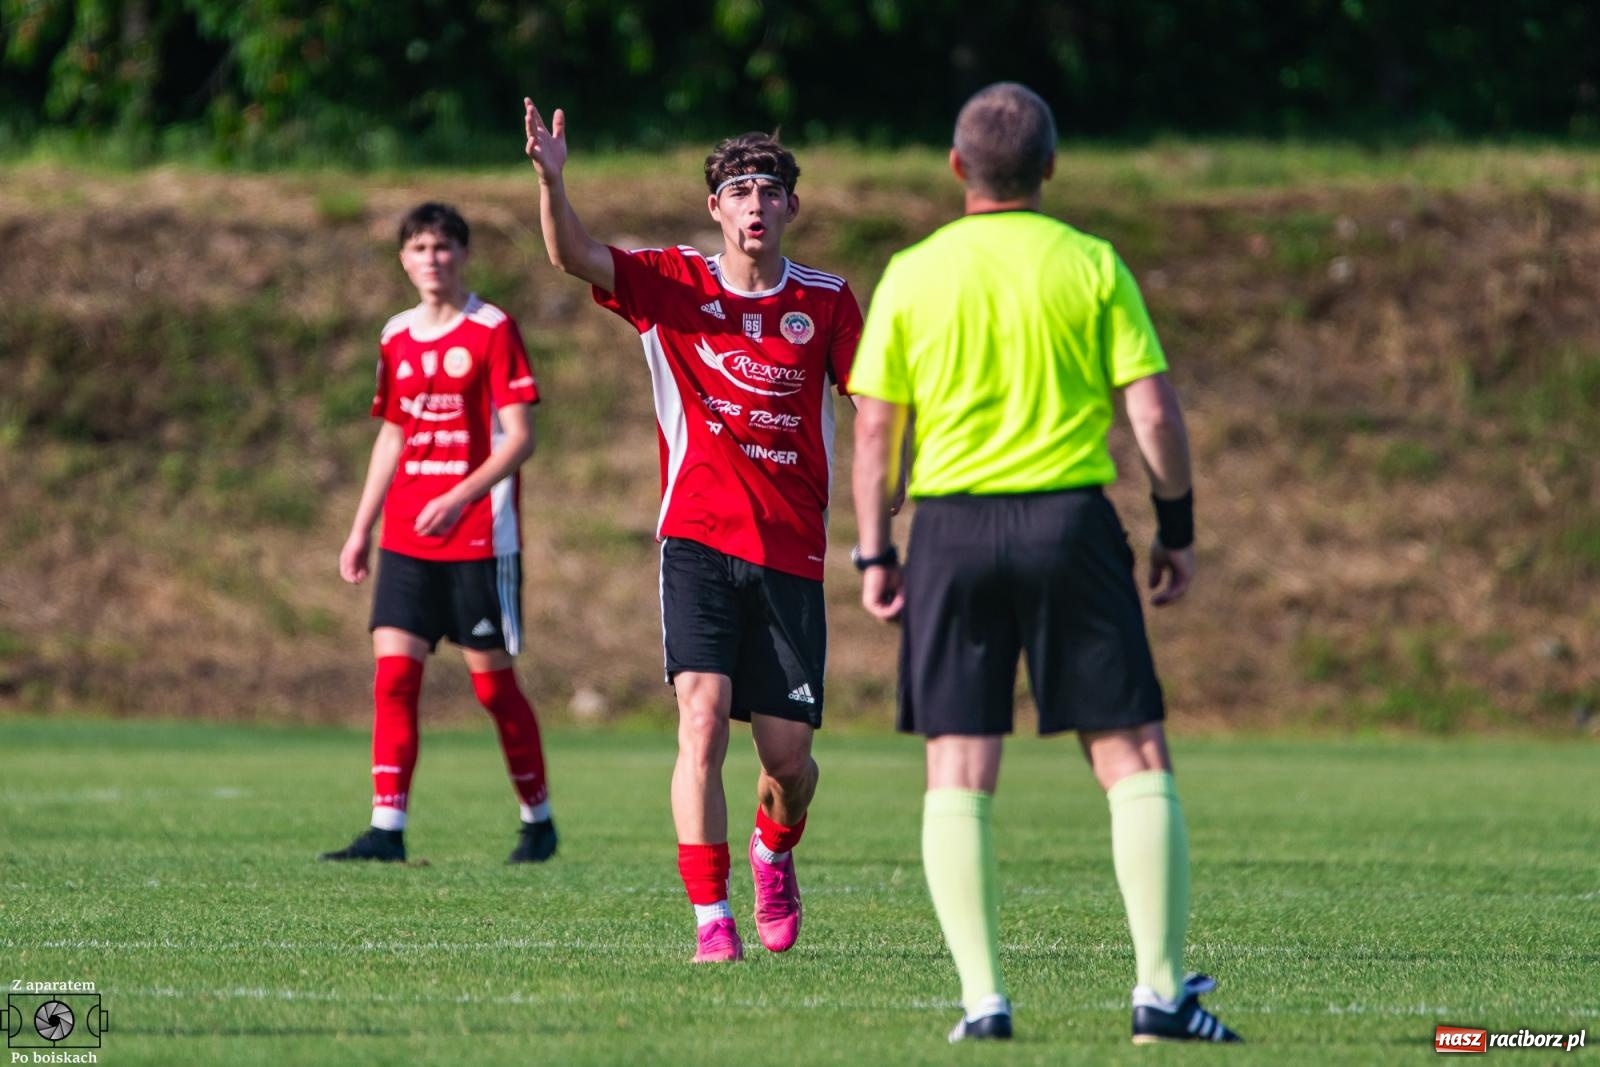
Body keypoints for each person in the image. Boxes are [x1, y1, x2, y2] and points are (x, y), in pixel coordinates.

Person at [848, 83, 1242, 1045]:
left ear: (957, 168)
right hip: (1069, 521)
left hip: (950, 528)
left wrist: (876, 550)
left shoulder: (913, 272)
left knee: (957, 765)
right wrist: (1177, 526)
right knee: (1132, 754)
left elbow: (873, 431)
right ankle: (1160, 996)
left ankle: (983, 1002)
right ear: (1051, 167)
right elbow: (1153, 413)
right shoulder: (1091, 263)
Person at [522, 98, 862, 962]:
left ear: (791, 206)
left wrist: (903, 474)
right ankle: (713, 918)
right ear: (716, 207)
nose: (755, 204)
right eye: (739, 191)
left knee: (788, 763)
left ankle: (772, 849)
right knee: (701, 721)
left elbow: (876, 402)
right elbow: (572, 254)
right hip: (698, 541)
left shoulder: (826, 302)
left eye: (770, 190)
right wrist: (552, 181)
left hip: (791, 551)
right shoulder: (673, 283)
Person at [320, 201, 558, 866]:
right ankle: (386, 829)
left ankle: (537, 819)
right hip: (406, 538)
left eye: (444, 246)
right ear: (404, 259)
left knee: (492, 689)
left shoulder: (493, 329)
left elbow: (520, 439)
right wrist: (360, 528)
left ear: (464, 255)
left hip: (480, 536)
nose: (433, 259)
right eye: (420, 247)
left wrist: (458, 498)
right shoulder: (396, 335)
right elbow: (392, 436)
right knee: (394, 678)